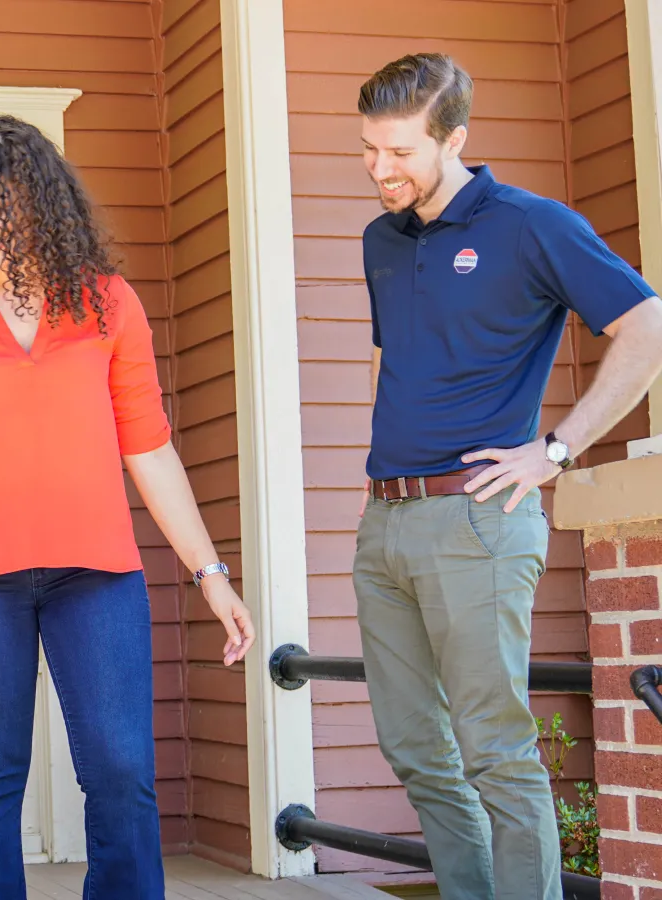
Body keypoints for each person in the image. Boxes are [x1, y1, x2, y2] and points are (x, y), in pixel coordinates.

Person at [0, 115, 256, 900]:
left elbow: (150, 449)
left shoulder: (108, 304)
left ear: (41, 198)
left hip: (95, 575)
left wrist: (212, 574)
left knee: (123, 773)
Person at [354, 53, 662, 900]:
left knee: (494, 748)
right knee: (416, 749)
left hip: (478, 519)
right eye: (370, 150)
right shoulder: (383, 239)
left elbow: (646, 327)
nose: (382, 170)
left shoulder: (532, 225)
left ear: (455, 138)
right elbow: (399, 366)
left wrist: (556, 451)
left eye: (401, 152)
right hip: (386, 523)